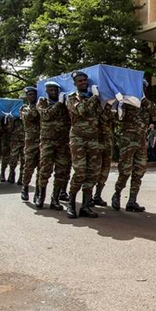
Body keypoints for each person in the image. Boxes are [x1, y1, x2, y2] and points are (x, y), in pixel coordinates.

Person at [111, 79, 156, 213]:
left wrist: (144, 100)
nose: (141, 90)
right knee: (125, 170)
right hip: (128, 140)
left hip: (141, 141)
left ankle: (132, 200)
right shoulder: (127, 103)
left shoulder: (146, 104)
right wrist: (120, 103)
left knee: (139, 171)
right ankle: (117, 194)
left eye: (143, 88)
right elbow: (117, 118)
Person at [66, 71, 101, 219]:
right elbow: (80, 110)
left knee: (92, 172)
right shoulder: (72, 98)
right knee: (80, 171)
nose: (83, 83)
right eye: (79, 81)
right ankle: (71, 203)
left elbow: (100, 115)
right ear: (75, 83)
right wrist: (94, 97)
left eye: (85, 80)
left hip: (92, 139)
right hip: (78, 138)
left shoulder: (93, 99)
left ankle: (86, 206)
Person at [36, 81, 72, 210]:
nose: (53, 92)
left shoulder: (64, 104)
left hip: (62, 142)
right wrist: (59, 103)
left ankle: (55, 199)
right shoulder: (42, 103)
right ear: (46, 91)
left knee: (61, 171)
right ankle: (41, 196)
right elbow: (45, 115)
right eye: (50, 90)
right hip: (47, 142)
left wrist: (64, 103)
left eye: (55, 90)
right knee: (45, 170)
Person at [20, 87, 41, 202]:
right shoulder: (24, 108)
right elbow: (30, 116)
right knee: (28, 167)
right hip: (30, 142)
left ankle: (38, 192)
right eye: (30, 94)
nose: (32, 96)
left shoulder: (42, 106)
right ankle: (25, 187)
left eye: (34, 94)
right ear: (27, 96)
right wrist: (38, 106)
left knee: (41, 168)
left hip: (42, 140)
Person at [92, 101, 115, 207]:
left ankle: (97, 195)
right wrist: (108, 106)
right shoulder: (94, 104)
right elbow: (102, 118)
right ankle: (87, 198)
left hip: (107, 142)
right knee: (94, 171)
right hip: (97, 142)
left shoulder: (109, 107)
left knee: (105, 171)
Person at [7, 116, 24, 185]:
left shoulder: (27, 117)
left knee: (24, 160)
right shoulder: (14, 119)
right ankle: (11, 173)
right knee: (13, 159)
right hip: (15, 141)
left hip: (25, 141)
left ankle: (21, 177)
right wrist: (11, 120)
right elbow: (9, 129)